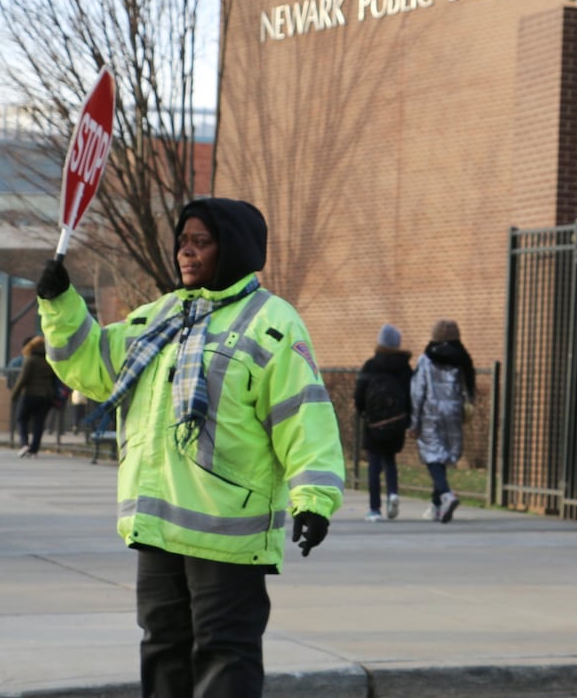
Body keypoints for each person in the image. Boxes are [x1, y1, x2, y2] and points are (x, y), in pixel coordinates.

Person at [34, 197, 344, 698]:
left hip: (226, 532)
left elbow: (303, 416)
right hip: (158, 528)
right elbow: (89, 365)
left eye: (202, 242)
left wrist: (314, 500)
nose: (187, 252)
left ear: (234, 248)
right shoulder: (158, 317)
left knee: (226, 655)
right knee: (162, 649)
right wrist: (61, 305)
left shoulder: (273, 323)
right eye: (183, 241)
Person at [410, 319, 474, 524]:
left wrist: (414, 422)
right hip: (453, 411)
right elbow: (469, 389)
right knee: (443, 454)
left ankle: (446, 494)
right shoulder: (462, 360)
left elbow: (418, 391)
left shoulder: (426, 359)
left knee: (432, 455)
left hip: (431, 412)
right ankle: (437, 506)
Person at [353, 323, 412, 522]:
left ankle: (375, 509)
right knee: (390, 460)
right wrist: (408, 418)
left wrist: (363, 411)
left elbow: (359, 393)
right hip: (397, 422)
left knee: (374, 465)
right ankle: (393, 493)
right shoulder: (404, 367)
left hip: (374, 423)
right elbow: (410, 394)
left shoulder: (371, 365)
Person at [9, 335, 58, 457]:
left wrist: (14, 394)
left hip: (30, 394)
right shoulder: (50, 360)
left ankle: (24, 443)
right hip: (46, 395)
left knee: (21, 418)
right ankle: (34, 450)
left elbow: (23, 378)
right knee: (39, 422)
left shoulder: (30, 359)